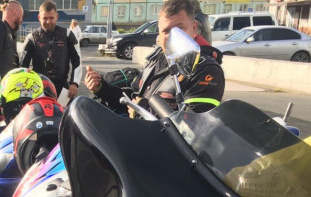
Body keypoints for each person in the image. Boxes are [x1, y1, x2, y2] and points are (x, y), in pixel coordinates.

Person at [84, 0, 224, 115]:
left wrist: (142, 110)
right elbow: (133, 98)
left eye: (179, 29)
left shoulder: (207, 70)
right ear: (159, 33)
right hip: (137, 135)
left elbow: (194, 125)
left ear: (194, 28)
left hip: (158, 141)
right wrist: (101, 88)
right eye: (166, 31)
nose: (173, 36)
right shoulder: (158, 59)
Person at [20, 1, 81, 100]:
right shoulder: (31, 38)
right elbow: (23, 65)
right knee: (40, 110)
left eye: (51, 18)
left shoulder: (68, 35)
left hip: (63, 87)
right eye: (45, 18)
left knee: (65, 110)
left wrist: (74, 83)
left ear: (57, 16)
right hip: (39, 88)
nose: (48, 22)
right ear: (39, 17)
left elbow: (77, 60)